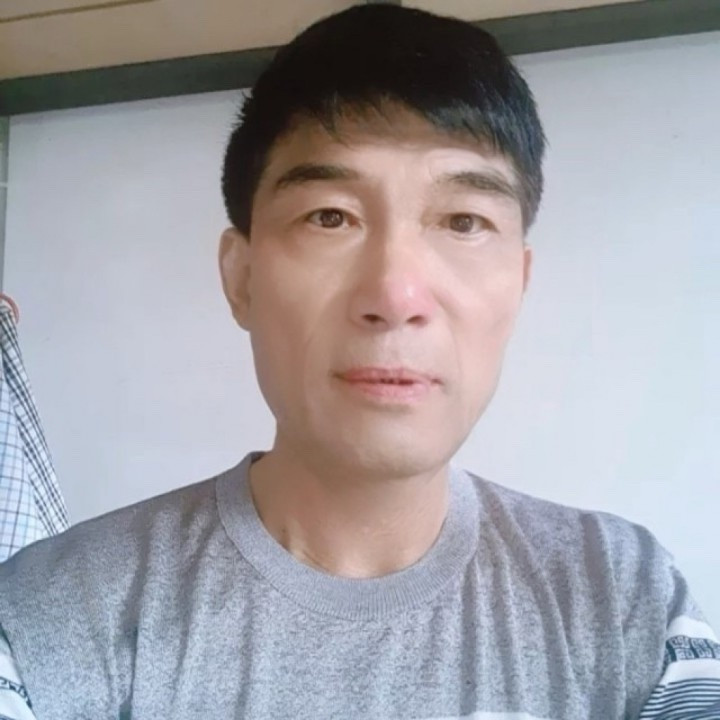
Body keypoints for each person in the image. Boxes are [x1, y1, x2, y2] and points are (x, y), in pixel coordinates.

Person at [1, 5, 718, 719]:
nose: (395, 296)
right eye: (330, 217)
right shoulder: (47, 620)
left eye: (464, 221)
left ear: (520, 283)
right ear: (241, 278)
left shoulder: (627, 602)